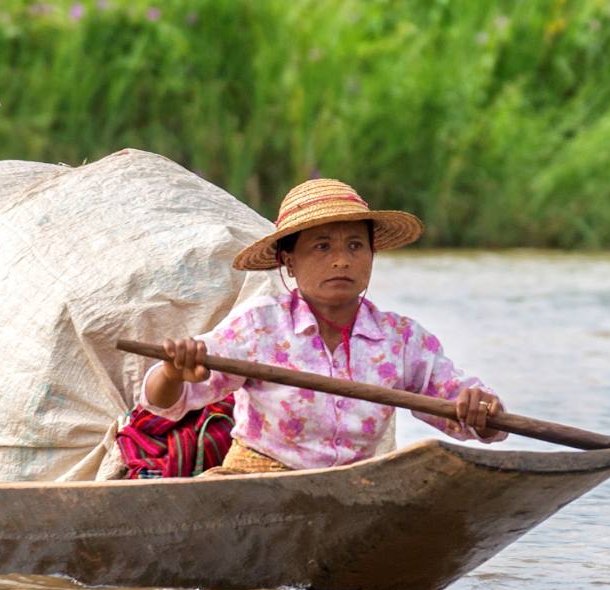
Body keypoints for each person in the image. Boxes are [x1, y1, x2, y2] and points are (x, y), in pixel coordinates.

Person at [138, 178, 504, 475]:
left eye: (356, 246)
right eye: (322, 247)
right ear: (289, 262)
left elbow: (482, 420)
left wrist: (481, 412)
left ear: (371, 257)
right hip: (255, 485)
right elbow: (161, 402)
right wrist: (173, 371)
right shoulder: (260, 326)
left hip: (350, 491)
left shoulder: (400, 339)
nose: (341, 261)